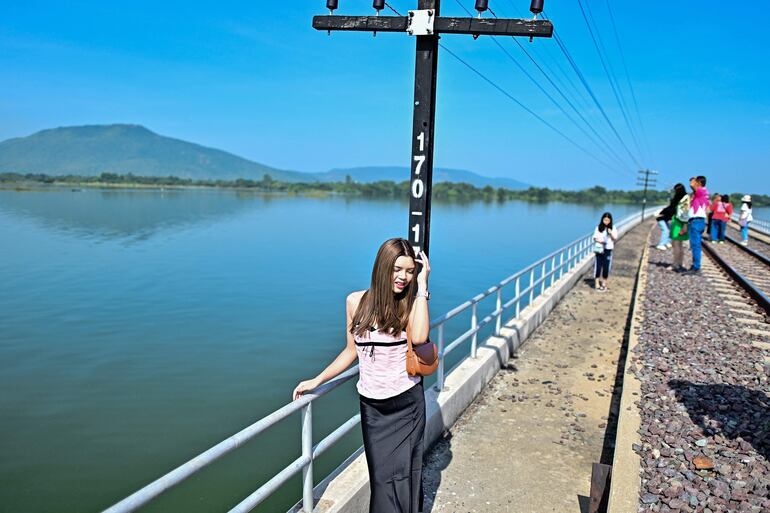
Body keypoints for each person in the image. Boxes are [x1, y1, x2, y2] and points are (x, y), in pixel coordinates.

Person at [293, 238, 431, 513]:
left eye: (409, 271)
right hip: (372, 407)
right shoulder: (355, 302)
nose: (403, 277)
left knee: (405, 477)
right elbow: (350, 351)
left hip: (406, 405)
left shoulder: (410, 303)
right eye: (397, 269)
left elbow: (419, 337)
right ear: (382, 267)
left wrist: (422, 287)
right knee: (381, 480)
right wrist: (317, 380)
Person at [686, 176, 709, 274]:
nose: (693, 183)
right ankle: (695, 265)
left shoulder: (701, 191)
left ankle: (696, 267)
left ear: (699, 183)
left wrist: (692, 180)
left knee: (695, 245)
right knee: (696, 245)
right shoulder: (702, 193)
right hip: (697, 221)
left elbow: (692, 186)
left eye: (696, 182)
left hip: (696, 221)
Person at [593, 212, 618, 291]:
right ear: (602, 220)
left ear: (610, 220)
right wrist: (599, 240)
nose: (606, 222)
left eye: (608, 220)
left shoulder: (613, 228)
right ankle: (597, 283)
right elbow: (594, 237)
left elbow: (615, 238)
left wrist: (610, 233)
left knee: (606, 267)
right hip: (599, 249)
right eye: (605, 220)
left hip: (608, 249)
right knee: (598, 266)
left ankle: (604, 283)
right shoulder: (598, 227)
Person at [669, 183, 690, 272]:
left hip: (679, 223)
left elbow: (685, 213)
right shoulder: (685, 198)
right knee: (679, 245)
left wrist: (684, 225)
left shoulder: (684, 199)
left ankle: (675, 264)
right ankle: (679, 263)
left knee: (676, 245)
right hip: (678, 222)